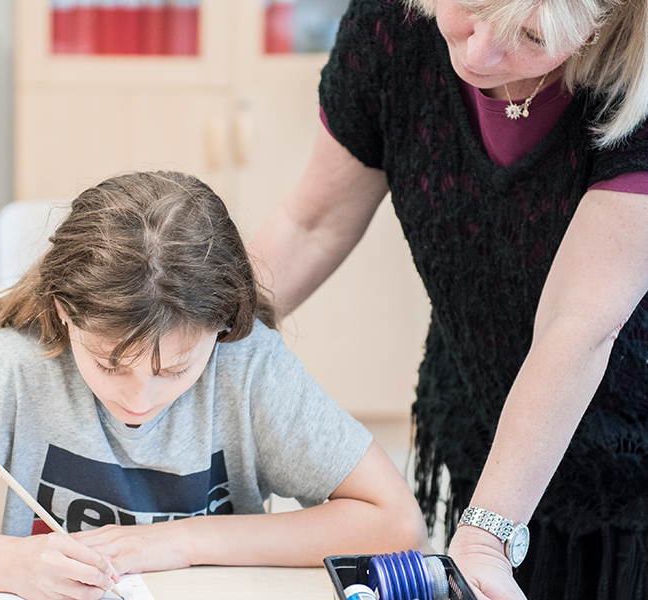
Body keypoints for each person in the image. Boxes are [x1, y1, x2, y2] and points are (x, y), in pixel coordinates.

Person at [0, 171, 427, 600]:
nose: (138, 400)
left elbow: (397, 522)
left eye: (174, 370)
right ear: (64, 313)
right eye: (110, 365)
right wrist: (0, 562)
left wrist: (186, 541)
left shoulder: (247, 368)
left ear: (221, 327)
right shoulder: (23, 367)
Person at [249, 0, 648, 597]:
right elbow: (312, 225)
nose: (477, 52)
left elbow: (576, 327)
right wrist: (192, 333)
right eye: (468, 7)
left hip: (633, 458)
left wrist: (486, 537)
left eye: (531, 36)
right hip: (485, 426)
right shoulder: (392, 28)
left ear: (602, 20)